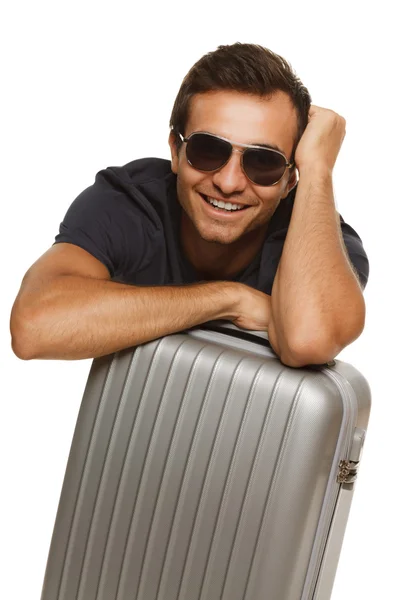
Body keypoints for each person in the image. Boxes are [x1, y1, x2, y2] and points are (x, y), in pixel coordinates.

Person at [10, 43, 369, 368]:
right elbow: (34, 326)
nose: (228, 183)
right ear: (176, 151)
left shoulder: (325, 244)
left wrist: (318, 169)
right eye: (208, 150)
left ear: (291, 179)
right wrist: (230, 300)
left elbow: (309, 340)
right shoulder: (130, 201)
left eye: (264, 163)